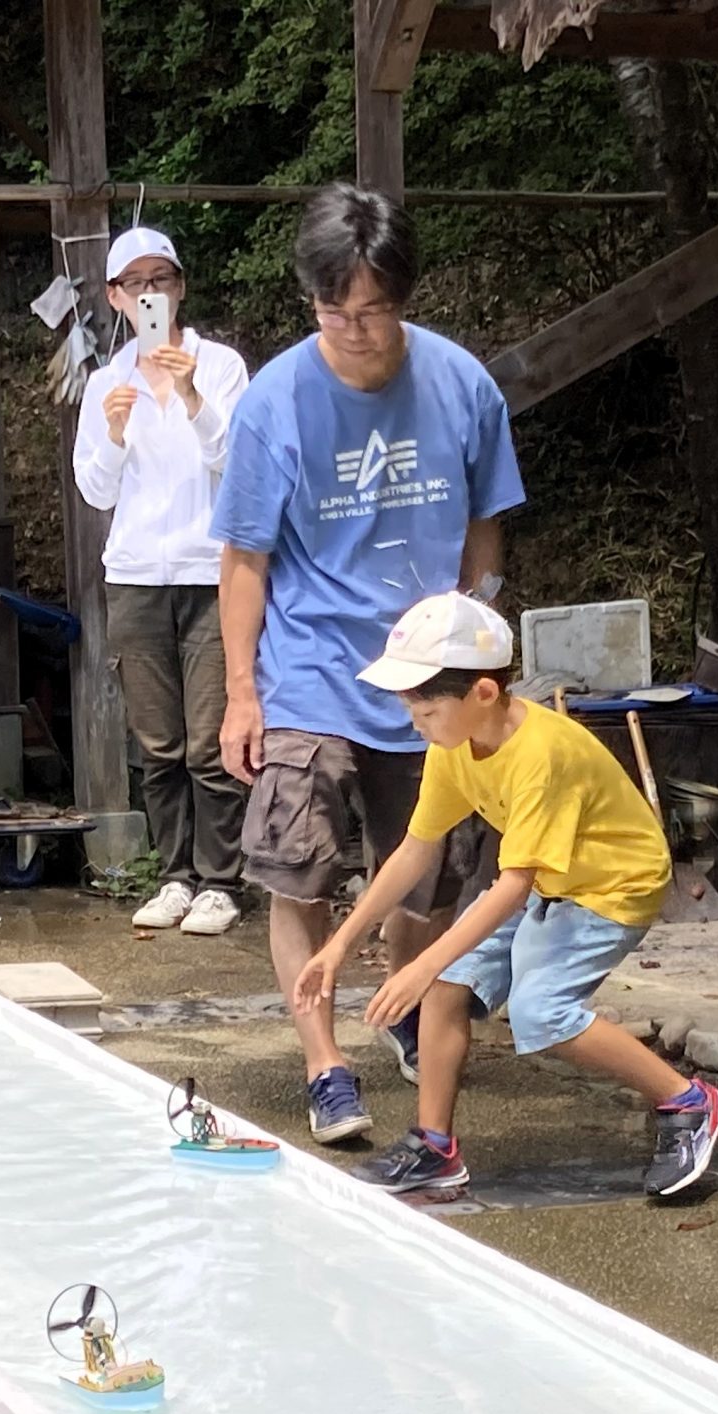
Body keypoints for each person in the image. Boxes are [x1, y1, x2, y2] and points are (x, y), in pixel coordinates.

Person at [213, 184, 522, 1145]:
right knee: (295, 871)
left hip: (425, 675)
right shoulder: (273, 405)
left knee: (424, 879)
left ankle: (400, 1003)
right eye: (333, 308)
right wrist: (241, 693)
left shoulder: (464, 386)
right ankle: (325, 1062)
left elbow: (487, 524)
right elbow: (244, 559)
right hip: (310, 668)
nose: (353, 329)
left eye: (374, 308)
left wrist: (480, 624)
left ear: (404, 297)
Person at [293, 593, 718, 1197]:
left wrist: (423, 963)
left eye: (424, 709)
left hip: (613, 886)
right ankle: (434, 1147)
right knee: (449, 987)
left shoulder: (541, 754)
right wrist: (337, 946)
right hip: (551, 879)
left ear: (481, 693)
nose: (414, 723)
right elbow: (415, 849)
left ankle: (691, 1103)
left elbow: (512, 885)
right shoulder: (454, 746)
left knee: (540, 1015)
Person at [73, 225, 253, 936]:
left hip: (212, 572)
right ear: (116, 297)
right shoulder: (106, 383)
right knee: (157, 742)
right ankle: (174, 874)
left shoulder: (223, 366)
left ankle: (220, 880)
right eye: (136, 283)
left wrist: (192, 396)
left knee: (211, 738)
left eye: (163, 279)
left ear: (180, 287)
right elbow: (93, 490)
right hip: (138, 575)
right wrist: (115, 433)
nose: (151, 293)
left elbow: (237, 461)